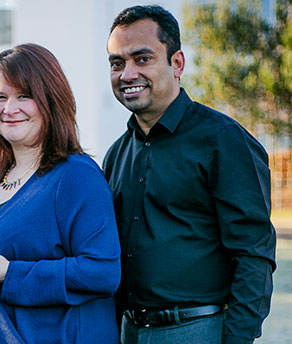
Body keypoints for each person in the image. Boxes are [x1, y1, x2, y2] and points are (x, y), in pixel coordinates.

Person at [0, 43, 121, 344]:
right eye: (0, 97)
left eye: (24, 96)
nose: (9, 109)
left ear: (51, 100)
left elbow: (102, 272)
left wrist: (11, 273)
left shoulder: (76, 176)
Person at [102, 5, 277, 344]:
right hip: (130, 331)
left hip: (198, 330)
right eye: (117, 63)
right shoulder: (116, 154)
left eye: (142, 59)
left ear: (177, 63)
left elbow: (253, 253)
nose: (126, 74)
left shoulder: (222, 140)